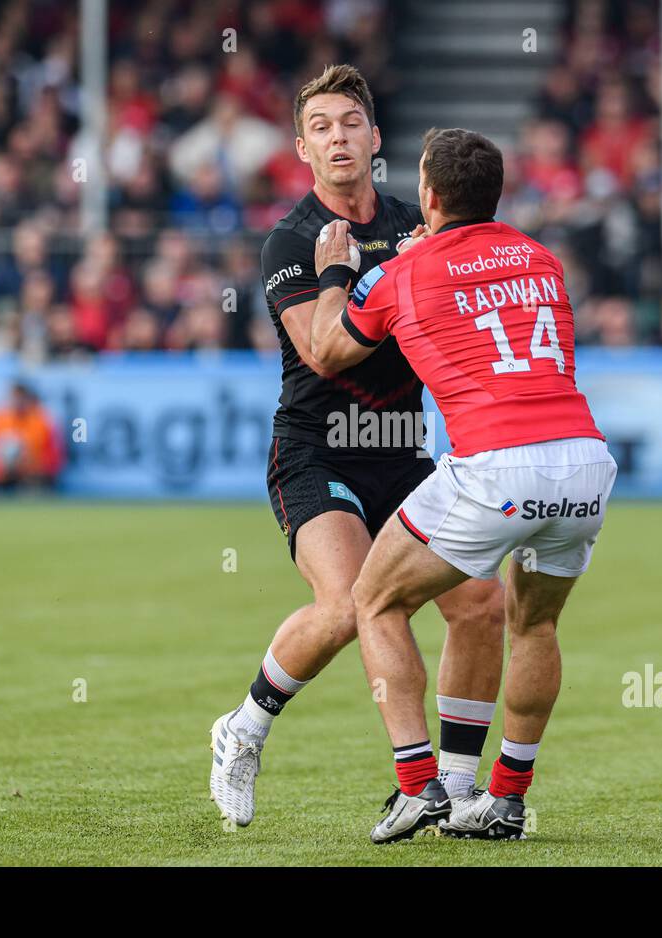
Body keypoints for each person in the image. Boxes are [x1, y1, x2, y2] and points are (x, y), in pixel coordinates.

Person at [207, 67, 506, 828]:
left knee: (479, 603)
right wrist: (347, 271)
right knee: (346, 605)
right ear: (303, 149)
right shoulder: (292, 239)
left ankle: (457, 787)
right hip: (317, 452)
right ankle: (243, 730)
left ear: (375, 140)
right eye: (321, 127)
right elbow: (319, 352)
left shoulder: (420, 221)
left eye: (350, 123)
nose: (337, 137)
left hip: (404, 453)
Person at [309, 128, 618, 843]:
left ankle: (418, 786)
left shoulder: (403, 274)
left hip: (497, 464)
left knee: (374, 599)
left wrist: (336, 272)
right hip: (584, 459)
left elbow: (327, 350)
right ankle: (505, 799)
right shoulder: (541, 256)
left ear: (430, 194)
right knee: (534, 623)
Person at [0, 381, 64, 492]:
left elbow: (54, 455)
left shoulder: (42, 420)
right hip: (2, 477)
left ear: (28, 399)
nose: (18, 402)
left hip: (34, 476)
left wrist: (34, 468)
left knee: (37, 491)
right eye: (14, 398)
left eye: (21, 398)